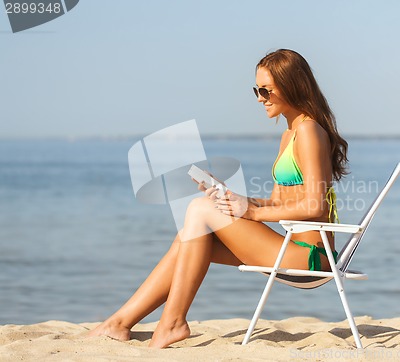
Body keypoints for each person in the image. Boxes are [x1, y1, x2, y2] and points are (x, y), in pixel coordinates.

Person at [88, 49, 349, 348]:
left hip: (310, 257)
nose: (260, 98)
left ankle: (171, 323)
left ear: (292, 85)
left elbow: (315, 206)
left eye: (266, 90)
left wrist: (248, 212)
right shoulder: (289, 133)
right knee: (192, 235)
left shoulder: (309, 130)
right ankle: (119, 323)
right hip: (292, 249)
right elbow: (279, 202)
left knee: (200, 209)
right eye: (256, 90)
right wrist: (236, 198)